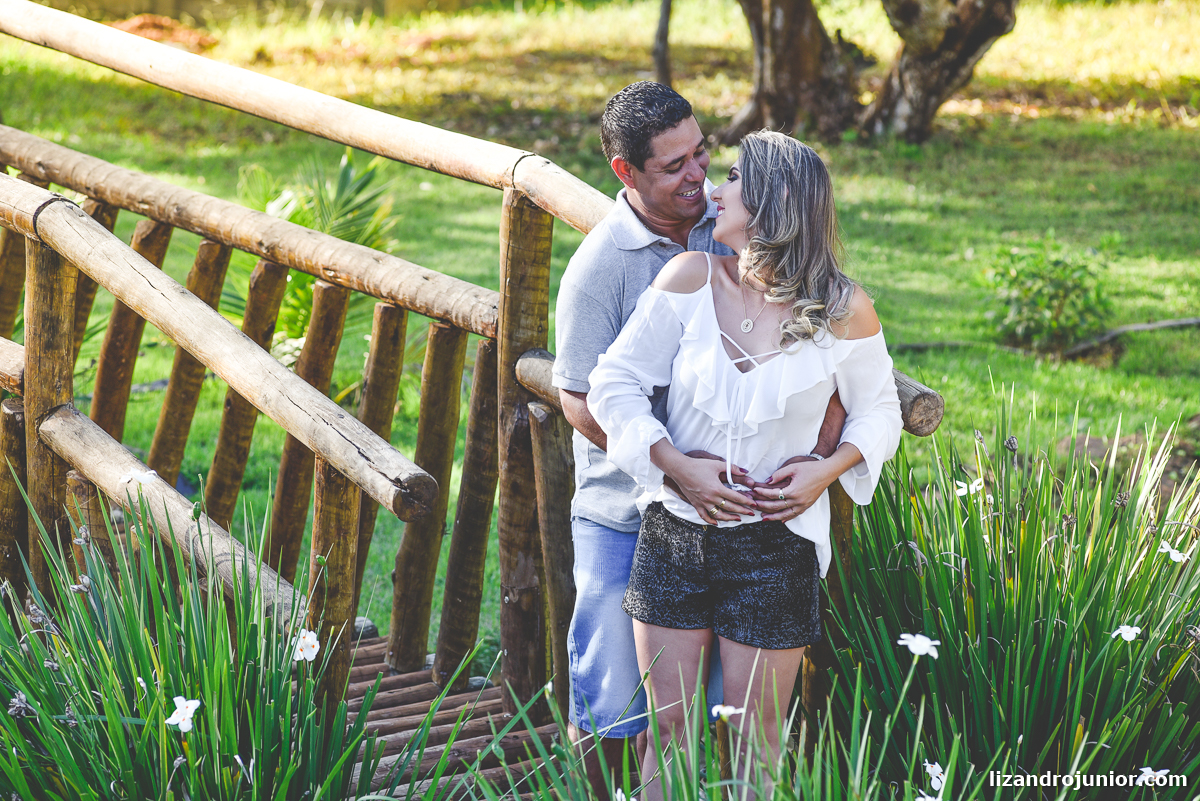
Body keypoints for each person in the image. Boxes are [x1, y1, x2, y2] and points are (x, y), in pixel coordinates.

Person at [586, 130, 902, 800]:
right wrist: (675, 465)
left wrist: (826, 470)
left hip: (775, 547)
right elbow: (614, 383)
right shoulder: (689, 279)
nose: (715, 187)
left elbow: (880, 411)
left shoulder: (844, 310)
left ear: (770, 204)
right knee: (666, 734)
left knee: (758, 746)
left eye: (732, 176)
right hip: (674, 534)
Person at [552, 84, 845, 791]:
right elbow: (580, 395)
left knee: (705, 713)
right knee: (611, 701)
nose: (699, 177)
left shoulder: (730, 229)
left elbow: (829, 353)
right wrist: (675, 471)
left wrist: (818, 460)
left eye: (702, 154)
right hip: (624, 510)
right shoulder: (603, 265)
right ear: (627, 174)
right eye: (674, 166)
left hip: (736, 522)